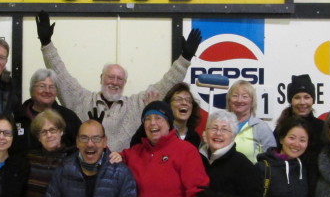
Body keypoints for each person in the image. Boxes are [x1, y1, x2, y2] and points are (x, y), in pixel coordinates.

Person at [35, 10, 203, 151]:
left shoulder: (137, 105)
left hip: (122, 175)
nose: (114, 82)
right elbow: (61, 75)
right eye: (110, 77)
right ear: (101, 78)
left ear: (125, 83)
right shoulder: (81, 99)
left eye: (119, 79)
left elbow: (167, 83)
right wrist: (46, 43)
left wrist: (185, 58)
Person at [15, 69, 81, 152]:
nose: (47, 91)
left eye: (52, 87)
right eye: (42, 86)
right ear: (32, 90)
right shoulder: (18, 117)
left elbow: (80, 145)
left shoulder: (68, 117)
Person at [128, 82, 203, 147]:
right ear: (168, 105)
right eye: (179, 99)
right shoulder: (158, 131)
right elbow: (134, 146)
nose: (184, 103)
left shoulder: (195, 137)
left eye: (188, 100)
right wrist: (152, 113)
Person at [226, 79, 277, 162]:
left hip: (252, 174)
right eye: (235, 95)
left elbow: (272, 160)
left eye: (245, 96)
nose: (239, 100)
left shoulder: (261, 127)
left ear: (252, 101)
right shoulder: (220, 124)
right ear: (229, 99)